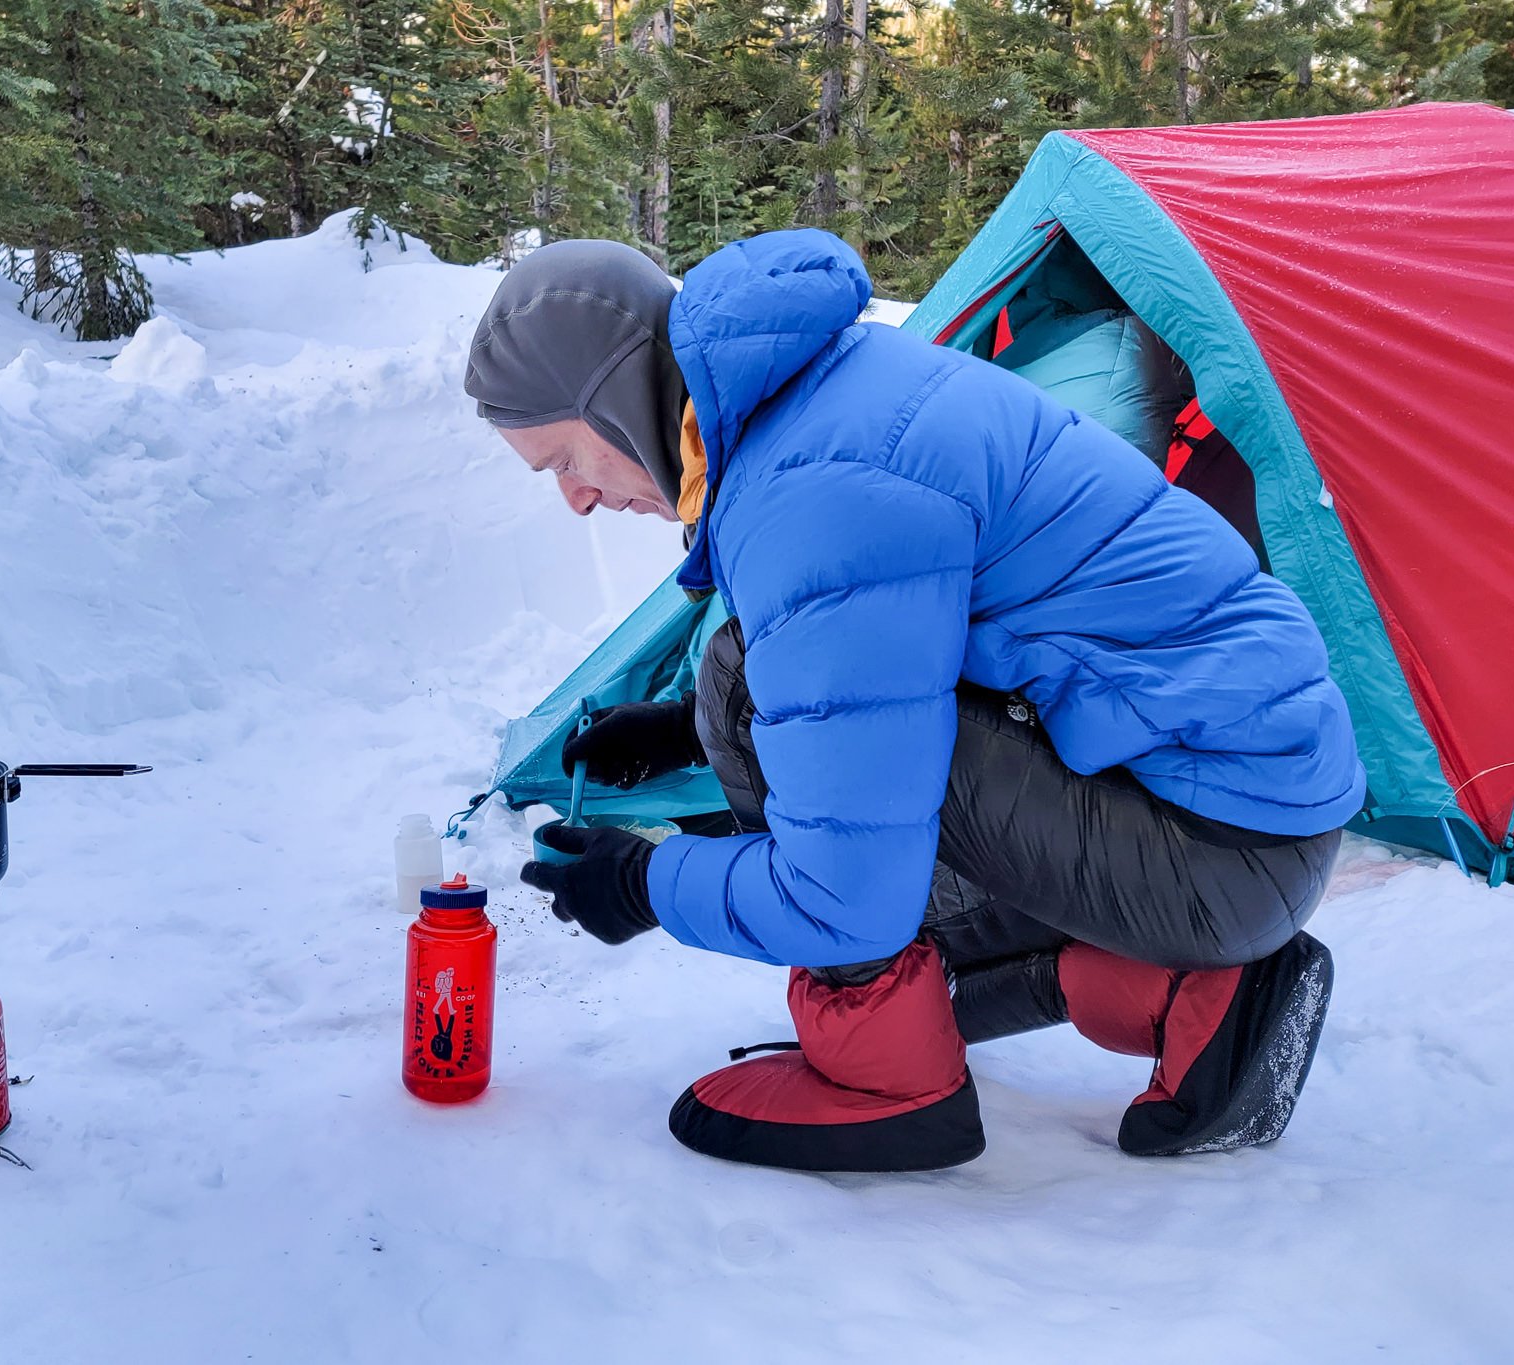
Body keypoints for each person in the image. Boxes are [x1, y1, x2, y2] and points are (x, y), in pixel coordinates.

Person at [463, 231, 1364, 1174]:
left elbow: (841, 896)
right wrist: (679, 727)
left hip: (1214, 848)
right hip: (1247, 817)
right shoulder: (831, 391)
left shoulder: (818, 492)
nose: (576, 499)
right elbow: (905, 647)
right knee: (756, 702)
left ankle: (885, 1084)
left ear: (611, 399)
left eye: (565, 459)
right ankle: (1186, 995)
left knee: (769, 732)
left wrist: (642, 882)